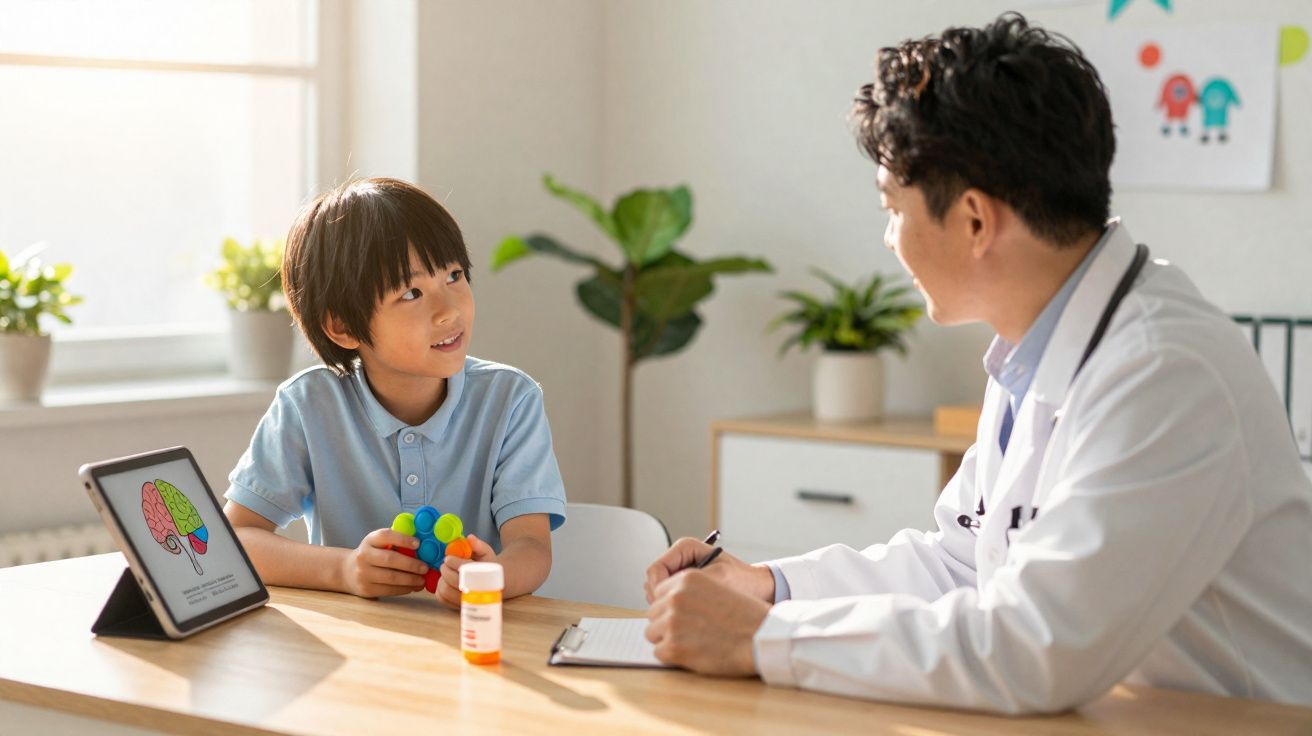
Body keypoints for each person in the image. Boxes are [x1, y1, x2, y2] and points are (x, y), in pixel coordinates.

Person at [644, 13, 1312, 713]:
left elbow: (1036, 648)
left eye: (891, 209)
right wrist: (771, 589)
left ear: (973, 220)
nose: (889, 239)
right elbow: (961, 565)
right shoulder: (1039, 344)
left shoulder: (1165, 373)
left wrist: (766, 639)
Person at [223, 177, 566, 610]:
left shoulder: (511, 400)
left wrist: (492, 577)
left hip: (474, 642)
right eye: (411, 292)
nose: (450, 310)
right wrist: (345, 569)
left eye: (454, 275)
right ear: (344, 327)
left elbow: (532, 546)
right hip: (362, 652)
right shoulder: (308, 405)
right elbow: (236, 538)